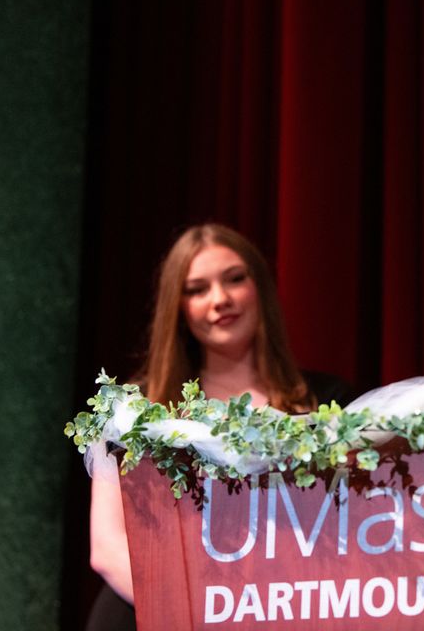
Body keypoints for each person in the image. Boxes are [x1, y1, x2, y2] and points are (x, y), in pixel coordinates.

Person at [85, 223, 352, 631]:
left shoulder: (326, 400)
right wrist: (201, 614)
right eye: (197, 289)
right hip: (148, 615)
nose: (220, 299)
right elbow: (107, 546)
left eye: (234, 279)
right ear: (178, 305)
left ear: (259, 287)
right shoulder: (137, 411)